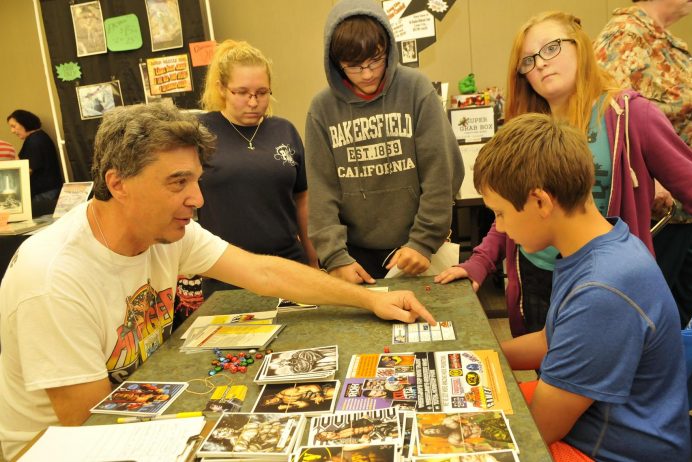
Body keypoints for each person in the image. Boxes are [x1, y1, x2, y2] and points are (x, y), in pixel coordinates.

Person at [0, 102, 435, 460]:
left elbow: (264, 271)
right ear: (118, 184)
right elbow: (94, 427)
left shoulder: (166, 230)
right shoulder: (53, 279)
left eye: (196, 180)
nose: (197, 199)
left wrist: (368, 298)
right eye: (178, 183)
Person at [436, 10, 692, 337]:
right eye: (528, 60)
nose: (540, 63)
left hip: (606, 282)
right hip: (537, 276)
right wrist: (481, 261)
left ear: (580, 46)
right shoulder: (524, 130)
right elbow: (511, 212)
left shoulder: (630, 115)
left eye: (550, 48)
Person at [481, 113, 688, 461]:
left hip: (608, 450)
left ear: (541, 202)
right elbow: (551, 341)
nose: (499, 227)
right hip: (591, 427)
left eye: (500, 213)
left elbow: (541, 430)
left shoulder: (601, 289)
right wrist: (478, 361)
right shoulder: (598, 244)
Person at [305, 0, 464, 283]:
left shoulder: (416, 90)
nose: (367, 74)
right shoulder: (322, 109)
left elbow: (441, 173)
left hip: (416, 251)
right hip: (353, 259)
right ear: (336, 63)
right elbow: (321, 193)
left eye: (376, 60)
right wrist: (334, 257)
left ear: (388, 48)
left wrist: (424, 240)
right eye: (354, 66)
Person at [594, 0, 692, 327]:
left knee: (682, 321)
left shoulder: (659, 39)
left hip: (684, 211)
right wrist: (654, 178)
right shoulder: (625, 40)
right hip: (659, 216)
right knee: (653, 322)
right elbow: (609, 119)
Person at [197, 40, 318, 297]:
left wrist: (313, 260)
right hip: (226, 273)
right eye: (241, 92)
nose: (253, 102)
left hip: (289, 266)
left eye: (262, 93)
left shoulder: (284, 130)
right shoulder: (199, 132)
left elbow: (302, 198)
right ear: (222, 89)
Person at [6, 109, 63, 216]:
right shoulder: (39, 137)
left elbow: (25, 171)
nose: (12, 131)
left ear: (24, 122)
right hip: (48, 190)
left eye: (14, 126)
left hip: (43, 193)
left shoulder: (35, 141)